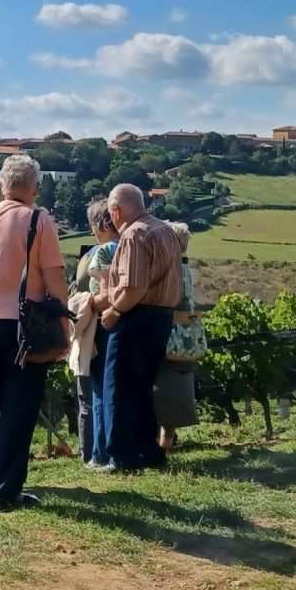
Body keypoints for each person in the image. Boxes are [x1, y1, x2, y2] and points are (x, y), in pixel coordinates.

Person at [0, 155, 68, 511]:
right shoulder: (39, 219)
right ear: (35, 187)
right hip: (22, 326)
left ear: (1, 184)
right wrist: (63, 330)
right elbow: (54, 278)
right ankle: (4, 491)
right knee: (19, 407)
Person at [99, 184, 183, 473]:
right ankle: (149, 451)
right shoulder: (165, 230)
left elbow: (133, 286)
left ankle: (121, 457)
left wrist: (115, 310)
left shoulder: (134, 234)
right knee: (143, 388)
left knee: (118, 388)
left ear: (116, 210)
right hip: (162, 318)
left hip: (135, 317)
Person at [73, 202, 119, 469]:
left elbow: (106, 296)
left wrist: (85, 303)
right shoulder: (128, 247)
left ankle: (100, 453)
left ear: (102, 224)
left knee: (100, 391)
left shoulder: (103, 251)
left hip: (103, 325)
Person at [155, 222, 201, 451]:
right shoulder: (186, 269)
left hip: (170, 334)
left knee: (160, 386)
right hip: (186, 335)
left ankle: (160, 446)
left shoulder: (171, 270)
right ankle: (166, 443)